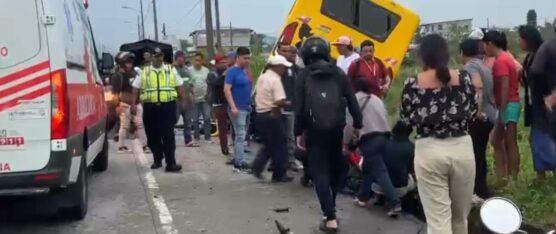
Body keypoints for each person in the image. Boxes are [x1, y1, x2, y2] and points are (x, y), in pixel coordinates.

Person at [400, 34, 477, 234]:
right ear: (446, 53)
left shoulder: (412, 84)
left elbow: (406, 119)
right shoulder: (464, 78)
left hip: (429, 150)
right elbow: (473, 111)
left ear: (422, 56)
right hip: (462, 148)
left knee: (438, 221)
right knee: (460, 219)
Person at [295, 37, 362, 233]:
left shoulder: (303, 75)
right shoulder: (338, 73)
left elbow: (299, 109)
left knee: (319, 172)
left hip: (314, 132)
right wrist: (357, 124)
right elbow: (351, 100)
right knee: (334, 169)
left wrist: (298, 132)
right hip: (336, 129)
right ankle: (329, 210)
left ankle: (330, 217)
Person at [347, 78, 402, 218]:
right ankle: (363, 197)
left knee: (379, 171)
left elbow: (349, 125)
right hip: (385, 137)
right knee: (368, 168)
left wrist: (347, 142)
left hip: (370, 139)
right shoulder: (377, 99)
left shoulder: (355, 100)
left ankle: (395, 203)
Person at [131, 47, 186, 172]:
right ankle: (157, 159)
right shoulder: (144, 71)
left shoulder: (170, 70)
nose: (159, 58)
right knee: (152, 135)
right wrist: (133, 104)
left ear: (163, 57)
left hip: (167, 106)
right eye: (156, 56)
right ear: (152, 57)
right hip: (150, 107)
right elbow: (135, 88)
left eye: (160, 56)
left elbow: (180, 85)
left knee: (168, 135)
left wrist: (183, 101)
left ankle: (171, 163)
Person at [460, 39, 496, 200]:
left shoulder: (471, 67)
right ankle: (482, 189)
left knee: (475, 155)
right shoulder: (483, 65)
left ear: (462, 52)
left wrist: (477, 111)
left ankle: (479, 192)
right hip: (491, 114)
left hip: (481, 117)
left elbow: (477, 87)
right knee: (479, 153)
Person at [483, 31, 521, 179]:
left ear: (490, 44)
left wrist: (502, 111)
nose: (484, 50)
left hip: (508, 104)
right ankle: (506, 175)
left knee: (508, 141)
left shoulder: (500, 61)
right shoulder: (507, 58)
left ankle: (510, 177)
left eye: (485, 46)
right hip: (510, 103)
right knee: (500, 140)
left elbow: (504, 86)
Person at [251, 55, 294, 183]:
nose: (284, 70)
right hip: (272, 113)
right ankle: (279, 174)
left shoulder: (263, 77)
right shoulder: (275, 79)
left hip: (260, 114)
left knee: (270, 144)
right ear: (277, 67)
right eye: (283, 67)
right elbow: (279, 101)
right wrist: (289, 103)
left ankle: (257, 167)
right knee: (279, 145)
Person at [524, 23, 556, 180]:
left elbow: (536, 71)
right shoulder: (543, 49)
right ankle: (541, 175)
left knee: (542, 136)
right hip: (543, 100)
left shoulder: (547, 47)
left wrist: (544, 93)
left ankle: (543, 174)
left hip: (545, 101)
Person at [111, 52, 149, 153]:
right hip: (124, 104)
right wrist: (117, 106)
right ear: (121, 63)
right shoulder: (117, 76)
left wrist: (140, 102)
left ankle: (145, 145)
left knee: (140, 125)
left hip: (136, 104)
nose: (130, 64)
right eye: (127, 62)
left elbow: (140, 89)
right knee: (125, 126)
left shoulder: (135, 74)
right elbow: (115, 94)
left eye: (131, 62)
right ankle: (121, 147)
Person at [371, 121, 415, 203]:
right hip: (399, 188)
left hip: (376, 185)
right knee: (412, 180)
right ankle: (399, 200)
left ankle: (379, 196)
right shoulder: (412, 147)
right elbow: (411, 169)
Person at [224, 47, 253, 172]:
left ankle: (239, 160)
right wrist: (233, 107)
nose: (247, 61)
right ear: (238, 57)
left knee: (242, 135)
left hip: (246, 108)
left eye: (248, 58)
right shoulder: (232, 71)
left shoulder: (245, 71)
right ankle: (239, 163)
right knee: (240, 136)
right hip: (237, 109)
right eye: (244, 58)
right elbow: (226, 90)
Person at [277, 44, 302, 171]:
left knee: (290, 135)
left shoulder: (295, 68)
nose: (289, 54)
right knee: (278, 136)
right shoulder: (274, 67)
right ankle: (277, 161)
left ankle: (291, 160)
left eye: (291, 52)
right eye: (285, 51)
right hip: (277, 107)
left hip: (291, 108)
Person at [207, 53, 230, 155]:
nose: (225, 65)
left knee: (233, 127)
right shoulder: (212, 74)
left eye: (226, 62)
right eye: (222, 63)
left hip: (229, 102)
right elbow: (215, 84)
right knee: (222, 128)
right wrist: (224, 76)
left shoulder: (229, 73)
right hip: (219, 104)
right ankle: (224, 148)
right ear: (216, 64)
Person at [173, 51, 196, 147]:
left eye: (183, 58)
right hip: (176, 99)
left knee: (188, 121)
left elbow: (191, 83)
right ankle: (170, 139)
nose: (182, 60)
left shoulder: (187, 70)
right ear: (176, 58)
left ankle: (188, 140)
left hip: (187, 99)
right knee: (173, 120)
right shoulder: (172, 69)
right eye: (180, 58)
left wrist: (193, 94)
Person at [190, 53, 212, 144]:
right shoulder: (189, 70)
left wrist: (208, 94)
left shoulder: (206, 70)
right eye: (195, 60)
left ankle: (207, 137)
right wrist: (192, 94)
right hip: (194, 98)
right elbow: (189, 84)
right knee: (195, 119)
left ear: (202, 61)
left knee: (207, 117)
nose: (197, 62)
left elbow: (209, 83)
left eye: (199, 60)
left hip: (205, 98)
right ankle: (196, 137)